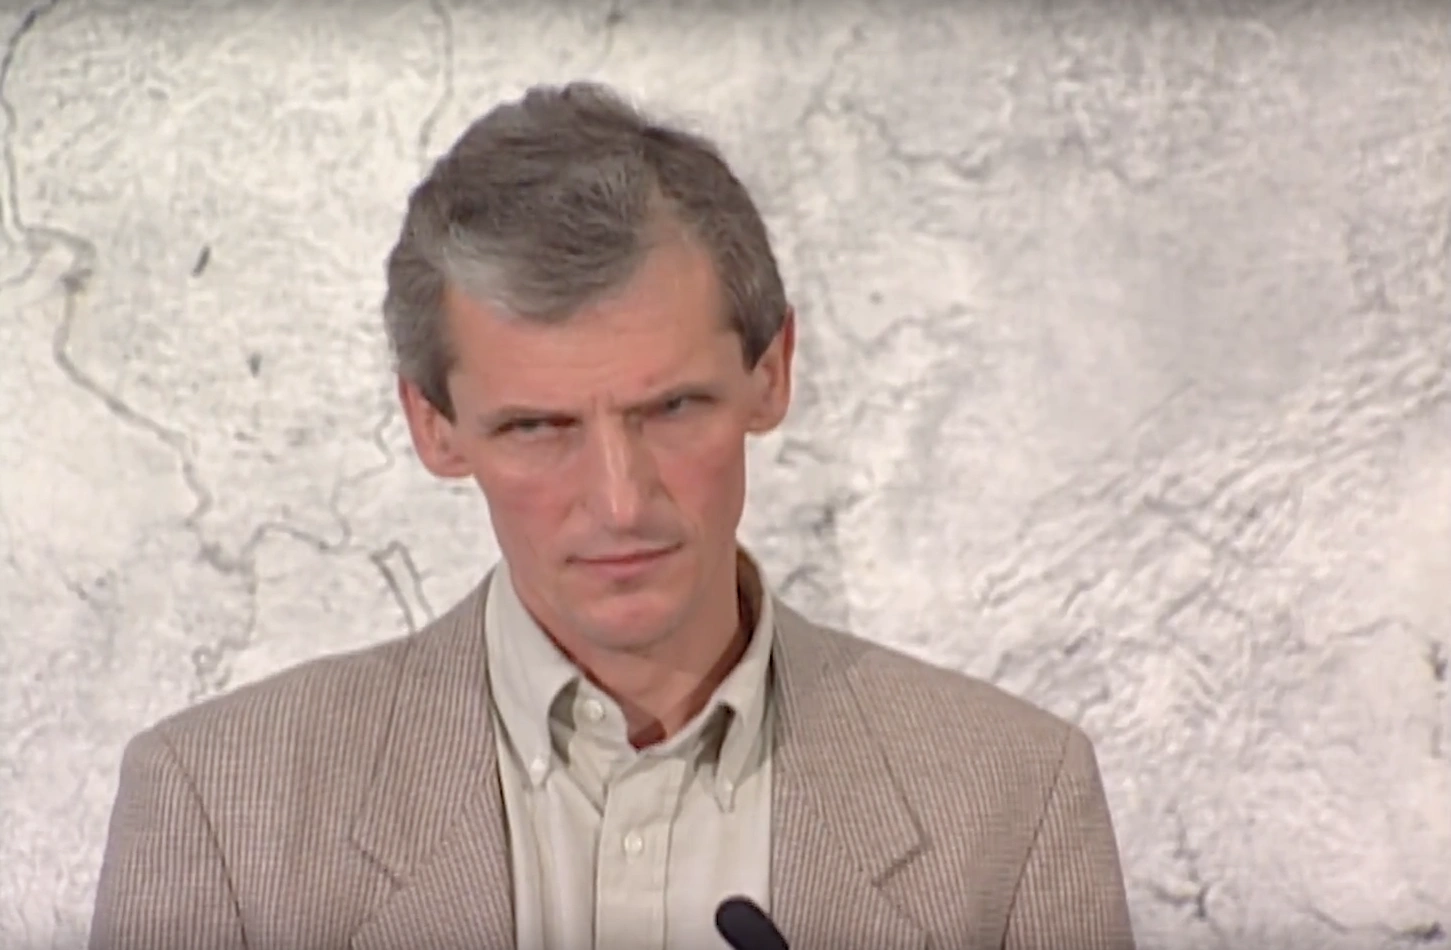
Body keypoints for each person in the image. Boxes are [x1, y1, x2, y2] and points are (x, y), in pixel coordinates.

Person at [88, 81, 1136, 950]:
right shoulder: (218, 808)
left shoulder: (1011, 799)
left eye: (672, 408)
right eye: (538, 427)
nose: (621, 499)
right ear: (434, 425)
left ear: (770, 374)